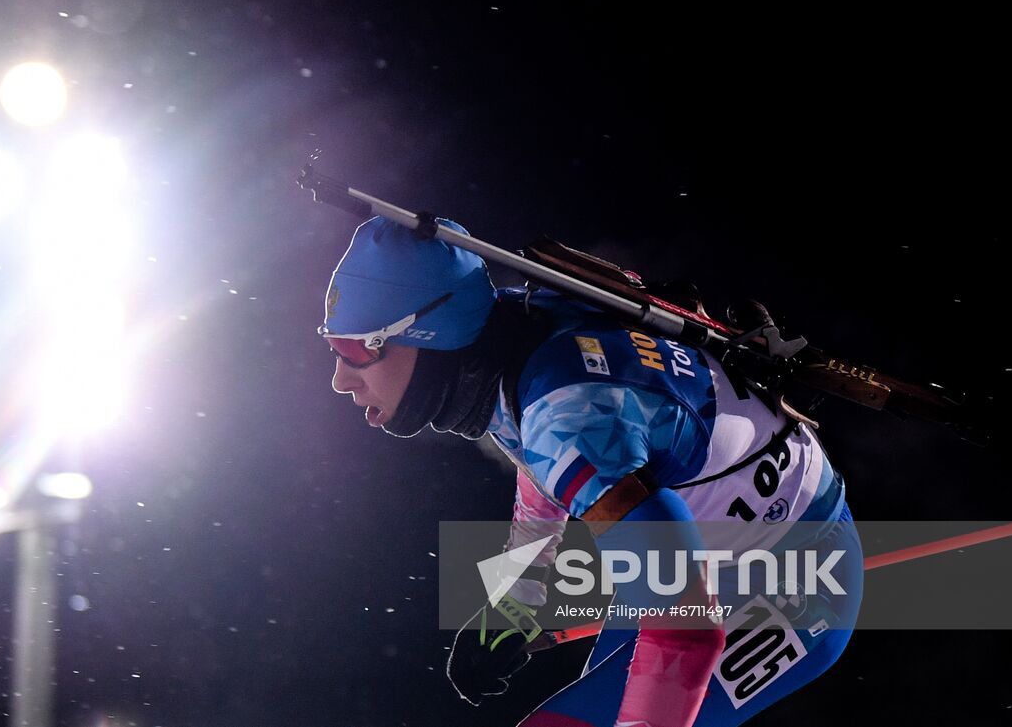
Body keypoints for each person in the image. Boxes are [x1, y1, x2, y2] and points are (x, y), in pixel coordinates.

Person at [319, 216, 863, 727]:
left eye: (354, 350)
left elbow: (690, 631)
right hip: (716, 549)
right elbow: (542, 456)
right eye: (332, 347)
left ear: (428, 335)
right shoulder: (511, 332)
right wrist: (515, 604)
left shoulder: (565, 417)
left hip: (798, 577)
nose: (341, 379)